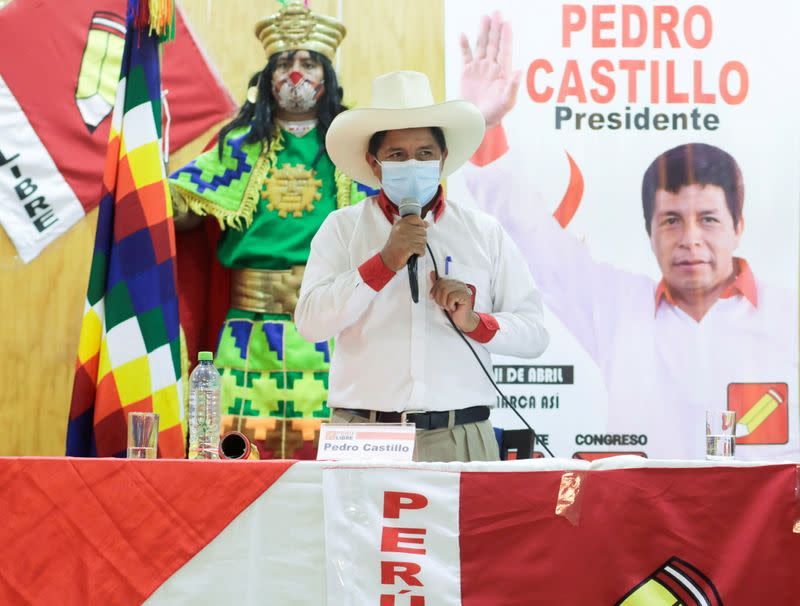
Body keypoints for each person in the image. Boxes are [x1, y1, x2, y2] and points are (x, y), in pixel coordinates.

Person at [458, 14, 798, 460]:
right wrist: (484, 125)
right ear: (650, 232)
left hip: (761, 523)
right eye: (671, 220)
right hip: (645, 519)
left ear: (739, 226)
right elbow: (531, 235)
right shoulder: (615, 306)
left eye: (709, 219)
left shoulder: (789, 315)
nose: (690, 239)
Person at [294, 70, 550, 463]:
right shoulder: (343, 228)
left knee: (470, 529)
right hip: (364, 434)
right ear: (374, 164)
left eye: (425, 154)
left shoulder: (484, 232)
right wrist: (383, 263)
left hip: (461, 437)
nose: (412, 163)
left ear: (443, 159)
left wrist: (475, 322)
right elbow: (311, 323)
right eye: (397, 155)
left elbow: (534, 333)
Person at [168, 0, 368, 459]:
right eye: (285, 63)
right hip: (248, 328)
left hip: (329, 325)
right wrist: (145, 180)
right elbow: (182, 208)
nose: (296, 73)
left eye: (308, 63)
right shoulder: (239, 146)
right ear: (267, 77)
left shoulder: (352, 147)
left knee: (328, 452)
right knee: (234, 450)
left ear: (327, 76)